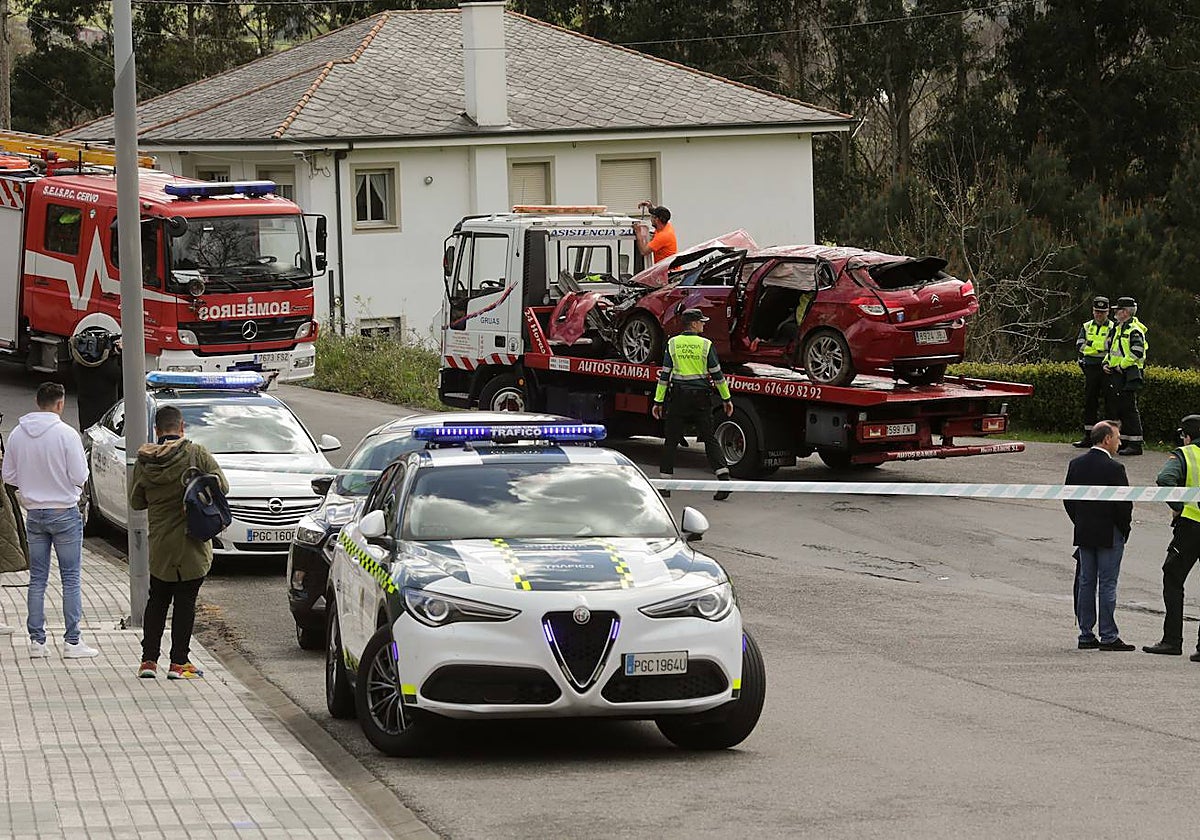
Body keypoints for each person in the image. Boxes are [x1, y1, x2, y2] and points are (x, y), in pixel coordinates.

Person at [130, 404, 228, 680]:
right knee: (186, 601)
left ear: (157, 430)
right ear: (182, 427)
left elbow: (136, 501)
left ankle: (148, 661)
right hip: (192, 541)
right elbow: (222, 486)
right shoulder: (196, 453)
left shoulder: (145, 460)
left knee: (157, 599)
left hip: (160, 543)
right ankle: (178, 662)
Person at [1, 382, 97, 659]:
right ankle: (72, 641)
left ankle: (37, 642)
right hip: (64, 511)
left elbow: (9, 476)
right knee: (70, 578)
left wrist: (29, 488)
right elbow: (80, 475)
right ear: (60, 403)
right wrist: (69, 488)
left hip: (34, 513)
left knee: (38, 579)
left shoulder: (18, 434)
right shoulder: (66, 435)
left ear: (37, 401)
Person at [1063, 421, 1134, 650]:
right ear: (1106, 439)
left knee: (1086, 582)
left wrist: (1080, 520)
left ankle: (1086, 634)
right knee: (1107, 583)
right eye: (1117, 437)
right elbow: (1123, 505)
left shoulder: (1076, 464)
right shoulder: (1114, 469)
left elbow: (1068, 499)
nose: (1119, 442)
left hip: (1084, 530)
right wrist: (1124, 529)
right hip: (1109, 532)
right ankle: (1108, 635)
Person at [652, 308, 734, 501]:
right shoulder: (706, 345)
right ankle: (724, 480)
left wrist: (658, 401)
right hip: (701, 398)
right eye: (702, 322)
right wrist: (726, 399)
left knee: (671, 440)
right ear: (694, 324)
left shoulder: (673, 343)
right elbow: (717, 376)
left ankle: (665, 485)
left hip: (679, 398)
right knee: (709, 438)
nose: (704, 324)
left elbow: (664, 376)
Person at [1143, 415, 1200, 659]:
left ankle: (1172, 640)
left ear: (1186, 435)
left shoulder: (1185, 454)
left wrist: (1177, 505)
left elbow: (1165, 479)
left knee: (1173, 578)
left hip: (1191, 525)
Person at [1103, 296, 1148, 456]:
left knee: (1129, 408)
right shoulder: (1119, 327)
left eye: (1118, 310)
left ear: (1126, 312)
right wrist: (1106, 363)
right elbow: (1112, 349)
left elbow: (1137, 352)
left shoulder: (1133, 329)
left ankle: (1136, 444)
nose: (1115, 312)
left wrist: (1121, 366)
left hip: (1128, 373)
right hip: (1117, 372)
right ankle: (1126, 441)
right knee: (1120, 408)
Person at [1073, 296, 1113, 448]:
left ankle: (1109, 438)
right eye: (1096, 311)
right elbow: (1079, 346)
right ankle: (1088, 437)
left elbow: (1111, 348)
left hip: (1106, 368)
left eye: (1102, 312)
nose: (1098, 315)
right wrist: (1099, 347)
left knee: (1109, 404)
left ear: (1107, 312)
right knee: (1090, 402)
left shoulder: (1113, 327)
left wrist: (1092, 346)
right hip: (1090, 368)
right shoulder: (1087, 326)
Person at [71, 330, 123, 432]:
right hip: (105, 422)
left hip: (86, 420)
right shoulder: (109, 368)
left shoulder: (78, 365)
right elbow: (125, 379)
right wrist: (119, 353)